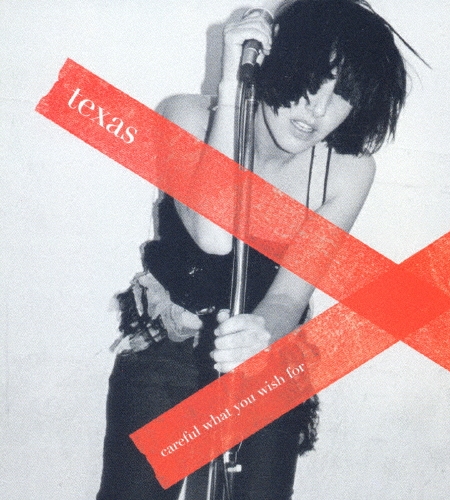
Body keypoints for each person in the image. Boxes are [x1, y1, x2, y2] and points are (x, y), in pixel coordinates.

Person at [97, 1, 422, 498]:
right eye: (314, 79)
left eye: (343, 94)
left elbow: (289, 296)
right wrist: (233, 85)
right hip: (168, 346)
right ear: (276, 62)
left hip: (266, 357)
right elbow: (213, 235)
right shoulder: (187, 116)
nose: (317, 110)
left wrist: (262, 334)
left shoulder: (348, 171)